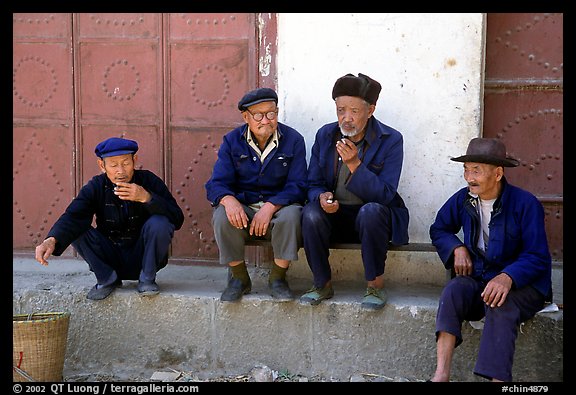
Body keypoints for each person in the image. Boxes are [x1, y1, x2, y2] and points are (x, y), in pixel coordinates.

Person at [428, 137, 552, 382]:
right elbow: (439, 229)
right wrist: (456, 248)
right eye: (466, 169)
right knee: (453, 290)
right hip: (481, 280)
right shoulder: (463, 200)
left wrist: (508, 277)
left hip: (524, 287)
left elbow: (537, 255)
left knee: (500, 303)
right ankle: (441, 375)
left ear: (497, 174)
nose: (469, 177)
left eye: (476, 170)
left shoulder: (525, 204)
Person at [300, 73, 409, 310]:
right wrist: (321, 197)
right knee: (310, 213)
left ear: (370, 110)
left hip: (373, 219)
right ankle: (322, 284)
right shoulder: (326, 135)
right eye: (341, 110)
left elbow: (386, 195)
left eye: (354, 112)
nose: (346, 119)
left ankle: (375, 286)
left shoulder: (391, 140)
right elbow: (313, 182)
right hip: (337, 215)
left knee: (371, 212)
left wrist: (354, 165)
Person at [35, 137, 184, 300]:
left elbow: (177, 218)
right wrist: (51, 239)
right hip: (109, 256)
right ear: (102, 165)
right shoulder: (96, 186)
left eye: (126, 163)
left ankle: (147, 279)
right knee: (76, 227)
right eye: (113, 165)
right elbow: (73, 216)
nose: (120, 170)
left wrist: (147, 198)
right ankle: (107, 279)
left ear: (135, 160)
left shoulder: (148, 180)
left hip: (143, 257)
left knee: (160, 223)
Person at [205, 87, 308, 302]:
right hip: (245, 208)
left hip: (279, 209)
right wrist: (229, 200)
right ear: (246, 117)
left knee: (293, 216)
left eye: (271, 113)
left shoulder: (293, 140)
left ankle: (278, 279)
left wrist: (271, 207)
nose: (266, 120)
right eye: (259, 115)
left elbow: (298, 185)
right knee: (222, 216)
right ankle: (239, 278)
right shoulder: (232, 141)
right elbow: (216, 183)